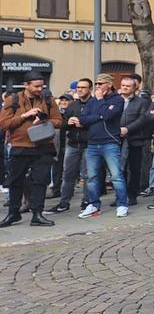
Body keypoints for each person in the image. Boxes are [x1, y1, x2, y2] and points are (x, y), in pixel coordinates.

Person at [0, 71, 62, 227]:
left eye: (42, 86)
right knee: (15, 181)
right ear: (26, 85)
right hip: (20, 146)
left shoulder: (48, 100)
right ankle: (13, 213)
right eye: (36, 86)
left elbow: (59, 121)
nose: (40, 89)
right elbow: (4, 124)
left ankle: (37, 214)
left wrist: (45, 120)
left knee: (40, 181)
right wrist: (25, 116)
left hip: (43, 146)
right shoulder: (13, 100)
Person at [78, 73, 128, 219]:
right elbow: (83, 119)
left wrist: (100, 102)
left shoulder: (117, 99)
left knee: (116, 176)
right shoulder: (92, 101)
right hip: (93, 142)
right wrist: (98, 116)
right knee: (92, 176)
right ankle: (93, 204)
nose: (98, 86)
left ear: (109, 85)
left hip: (109, 142)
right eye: (96, 84)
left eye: (101, 83)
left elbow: (108, 115)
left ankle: (122, 204)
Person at [47, 78, 92, 214]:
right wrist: (68, 122)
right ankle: (64, 202)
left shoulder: (95, 104)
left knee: (87, 175)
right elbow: (63, 123)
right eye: (78, 87)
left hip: (89, 144)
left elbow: (98, 121)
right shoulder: (73, 105)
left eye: (83, 87)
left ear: (90, 89)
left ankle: (87, 201)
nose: (80, 90)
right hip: (72, 144)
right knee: (67, 174)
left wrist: (83, 122)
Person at [118, 76, 150, 206]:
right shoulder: (116, 100)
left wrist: (128, 129)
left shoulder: (141, 102)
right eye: (123, 85)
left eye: (128, 86)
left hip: (134, 139)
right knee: (119, 169)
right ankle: (120, 195)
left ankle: (132, 195)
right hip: (117, 139)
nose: (125, 88)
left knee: (134, 168)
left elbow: (142, 119)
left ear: (134, 88)